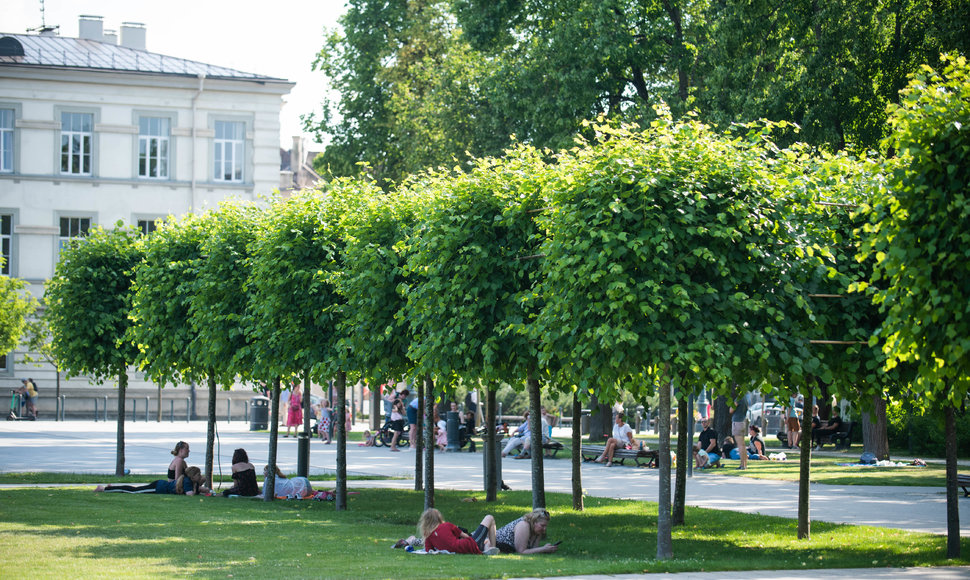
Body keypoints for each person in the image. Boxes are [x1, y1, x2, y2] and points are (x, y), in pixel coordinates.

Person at [418, 508, 499, 555]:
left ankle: (487, 549)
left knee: (486, 541)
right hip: (468, 545)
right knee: (489, 517)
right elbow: (466, 536)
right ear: (439, 518)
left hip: (460, 549)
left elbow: (429, 550)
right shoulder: (447, 525)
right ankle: (492, 547)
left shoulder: (428, 536)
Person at [96, 466, 209, 495]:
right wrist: (198, 486)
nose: (200, 476)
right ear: (193, 476)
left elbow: (203, 490)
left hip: (159, 484)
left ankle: (110, 488)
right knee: (134, 491)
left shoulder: (189, 481)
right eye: (198, 475)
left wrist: (205, 489)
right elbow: (190, 494)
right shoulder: (189, 482)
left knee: (135, 490)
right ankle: (104, 489)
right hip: (158, 487)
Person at [730, 391, 754, 470]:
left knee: (740, 445)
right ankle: (744, 464)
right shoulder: (745, 399)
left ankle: (742, 464)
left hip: (737, 422)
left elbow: (731, 410)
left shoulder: (738, 399)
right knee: (742, 445)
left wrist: (732, 404)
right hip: (742, 422)